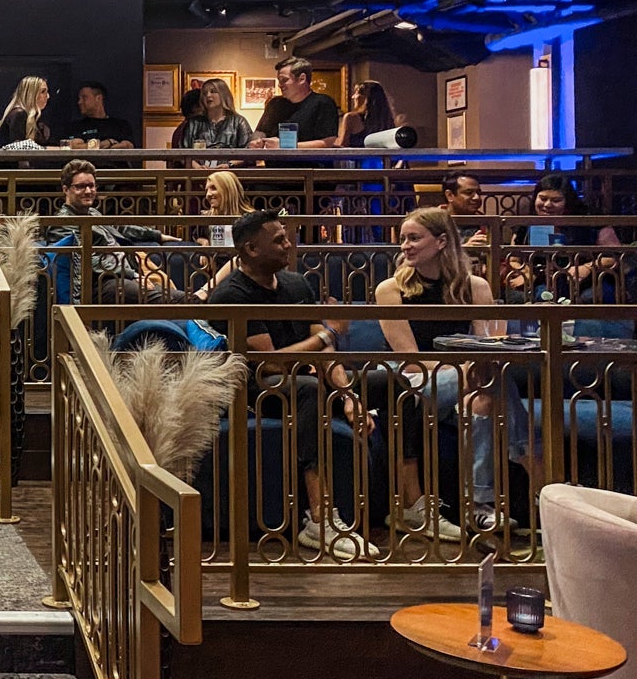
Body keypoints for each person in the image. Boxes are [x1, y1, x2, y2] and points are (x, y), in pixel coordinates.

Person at [205, 208, 383, 560]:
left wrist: (348, 396)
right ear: (251, 250)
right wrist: (328, 333)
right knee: (307, 388)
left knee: (388, 383)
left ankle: (412, 506)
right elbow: (270, 363)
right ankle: (319, 519)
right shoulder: (232, 295)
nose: (289, 244)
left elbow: (324, 344)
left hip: (304, 377)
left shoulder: (296, 283)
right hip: (253, 389)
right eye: (279, 240)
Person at [375, 207, 538, 537]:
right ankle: (537, 472)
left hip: (469, 382)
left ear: (441, 241)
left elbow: (488, 346)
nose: (405, 246)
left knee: (483, 399)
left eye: (414, 238)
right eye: (402, 239)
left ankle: (476, 505)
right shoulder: (389, 289)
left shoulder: (475, 286)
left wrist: (475, 366)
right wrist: (466, 368)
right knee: (488, 379)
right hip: (415, 383)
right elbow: (409, 359)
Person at [52, 159, 189, 303]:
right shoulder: (62, 223)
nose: (88, 191)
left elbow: (118, 228)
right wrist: (131, 275)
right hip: (100, 284)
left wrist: (157, 235)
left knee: (183, 297)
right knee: (170, 301)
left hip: (122, 274)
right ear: (65, 189)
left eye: (91, 186)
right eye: (80, 186)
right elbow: (88, 260)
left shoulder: (92, 212)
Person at [505, 175, 622, 300]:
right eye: (543, 199)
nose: (548, 205)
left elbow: (613, 256)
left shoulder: (590, 220)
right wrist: (526, 272)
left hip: (587, 281)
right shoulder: (525, 225)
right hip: (540, 281)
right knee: (534, 297)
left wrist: (586, 268)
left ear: (568, 202)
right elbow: (513, 260)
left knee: (591, 297)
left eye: (556, 200)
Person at [251, 58, 340, 149]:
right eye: (279, 80)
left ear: (302, 79)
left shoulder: (323, 103)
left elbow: (327, 142)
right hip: (277, 163)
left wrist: (286, 147)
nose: (279, 85)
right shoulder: (275, 104)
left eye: (284, 80)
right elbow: (261, 131)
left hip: (309, 163)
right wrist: (257, 141)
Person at [180, 78, 254, 161]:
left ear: (223, 94)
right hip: (199, 172)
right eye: (204, 93)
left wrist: (229, 165)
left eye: (213, 91)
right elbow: (182, 153)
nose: (208, 95)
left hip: (230, 172)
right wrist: (197, 168)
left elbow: (249, 153)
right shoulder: (194, 123)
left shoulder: (239, 122)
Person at [59, 82, 135, 147]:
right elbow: (72, 146)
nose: (80, 102)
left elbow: (127, 146)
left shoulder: (120, 126)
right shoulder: (74, 127)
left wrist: (86, 145)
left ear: (98, 98)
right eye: (79, 98)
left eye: (84, 97)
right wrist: (107, 143)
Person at [0, 76, 53, 148]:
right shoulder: (18, 114)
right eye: (43, 92)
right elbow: (18, 148)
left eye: (47, 92)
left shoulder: (33, 118)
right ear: (30, 94)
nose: (47, 96)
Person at [337, 80, 395, 149]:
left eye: (356, 93)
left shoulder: (351, 118)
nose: (353, 97)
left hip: (356, 158)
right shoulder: (387, 120)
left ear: (365, 98)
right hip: (380, 159)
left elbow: (342, 145)